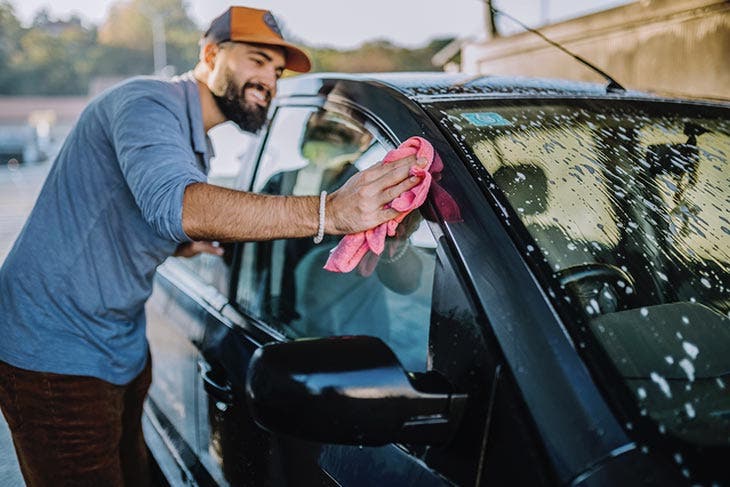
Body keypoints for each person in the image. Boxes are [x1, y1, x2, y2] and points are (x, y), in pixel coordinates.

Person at [0, 6, 425, 486]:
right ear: (209, 53)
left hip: (120, 346)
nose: (268, 79)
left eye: (276, 71)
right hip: (55, 351)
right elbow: (177, 205)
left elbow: (136, 215)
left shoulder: (193, 142)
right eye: (257, 60)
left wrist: (180, 246)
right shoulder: (146, 103)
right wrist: (333, 211)